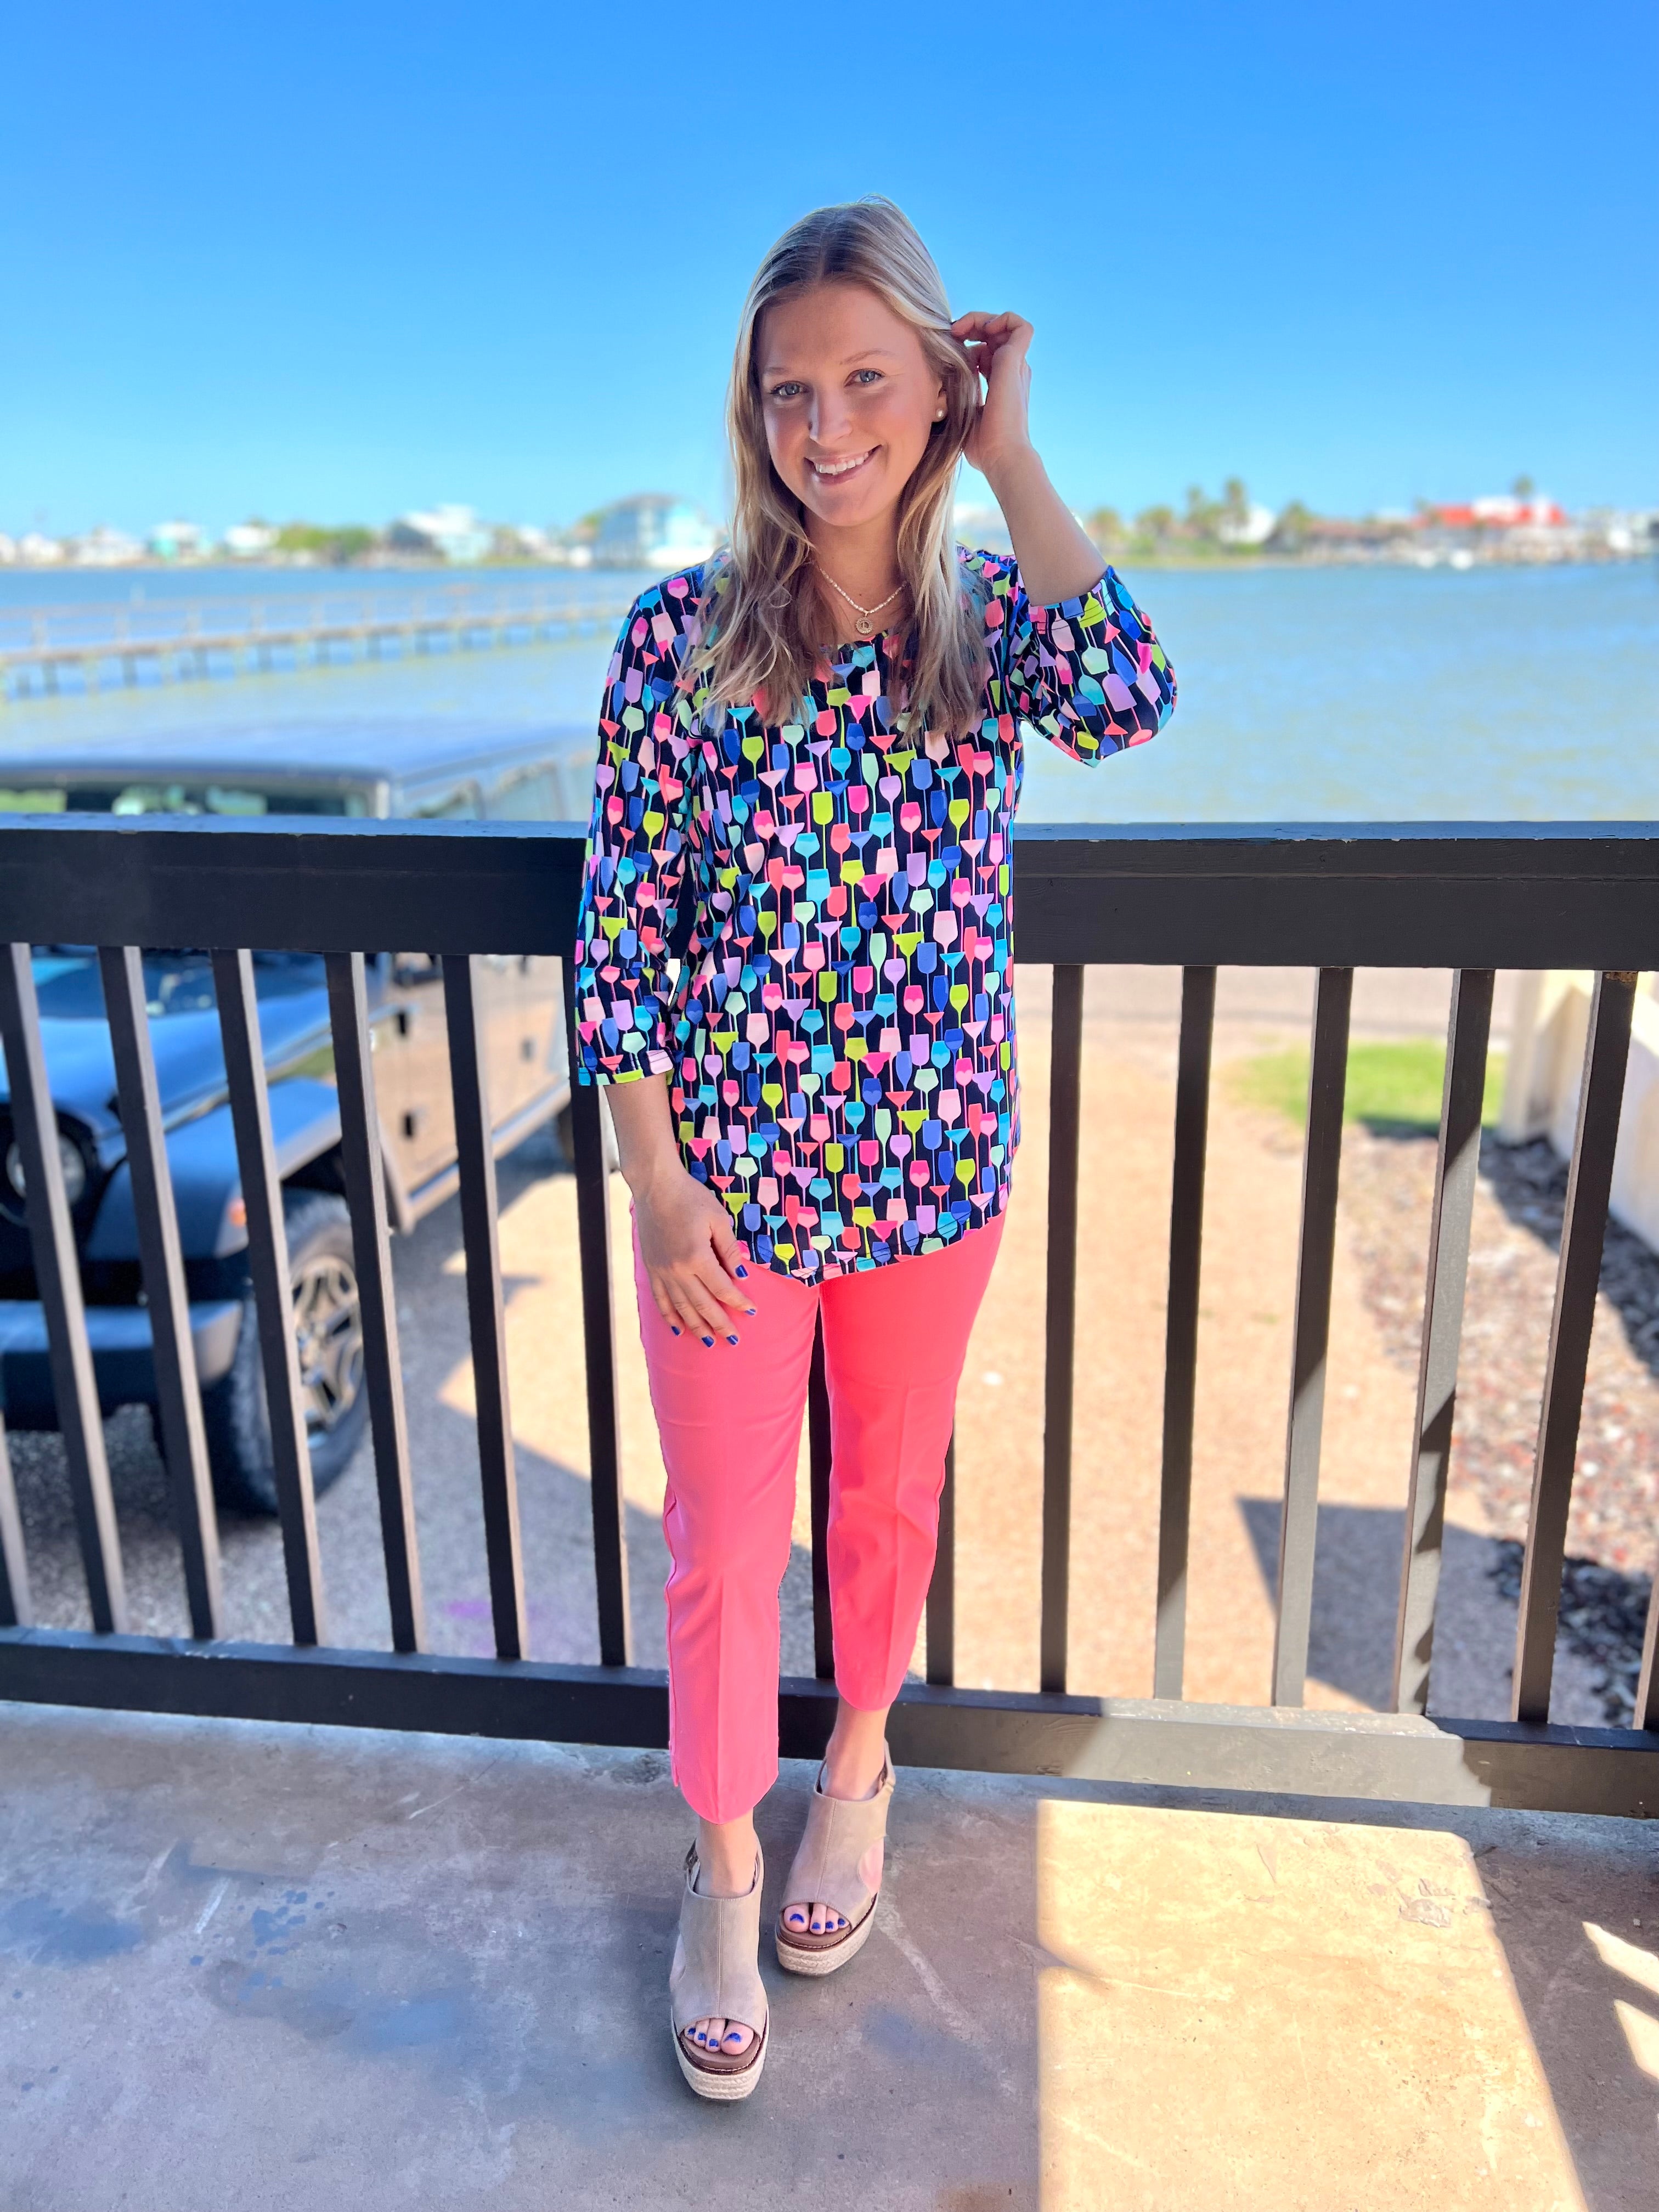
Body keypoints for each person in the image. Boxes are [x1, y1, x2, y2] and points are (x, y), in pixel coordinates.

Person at [572, 196, 1175, 2101]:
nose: (823, 429)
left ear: (935, 389)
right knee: (723, 1543)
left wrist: (1015, 460)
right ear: (747, 410)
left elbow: (1135, 700)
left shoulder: (985, 627)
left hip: (929, 1183)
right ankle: (723, 1859)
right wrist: (658, 1180)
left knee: (885, 1504)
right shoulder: (679, 636)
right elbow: (624, 933)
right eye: (786, 392)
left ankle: (856, 1773)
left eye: (864, 383)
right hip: (725, 1201)